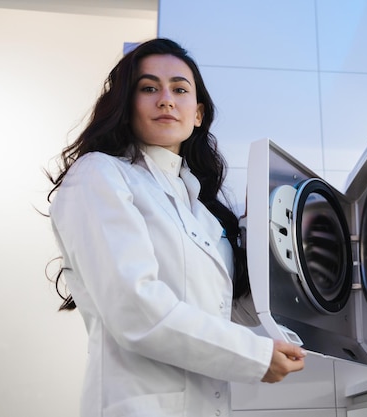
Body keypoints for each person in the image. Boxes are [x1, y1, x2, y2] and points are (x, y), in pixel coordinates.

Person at [47, 38, 306, 417]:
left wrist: (268, 243)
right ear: (126, 105)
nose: (166, 99)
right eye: (149, 88)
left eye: (180, 89)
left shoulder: (203, 212)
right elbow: (134, 308)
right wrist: (255, 355)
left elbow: (226, 313)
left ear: (198, 113)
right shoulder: (101, 174)